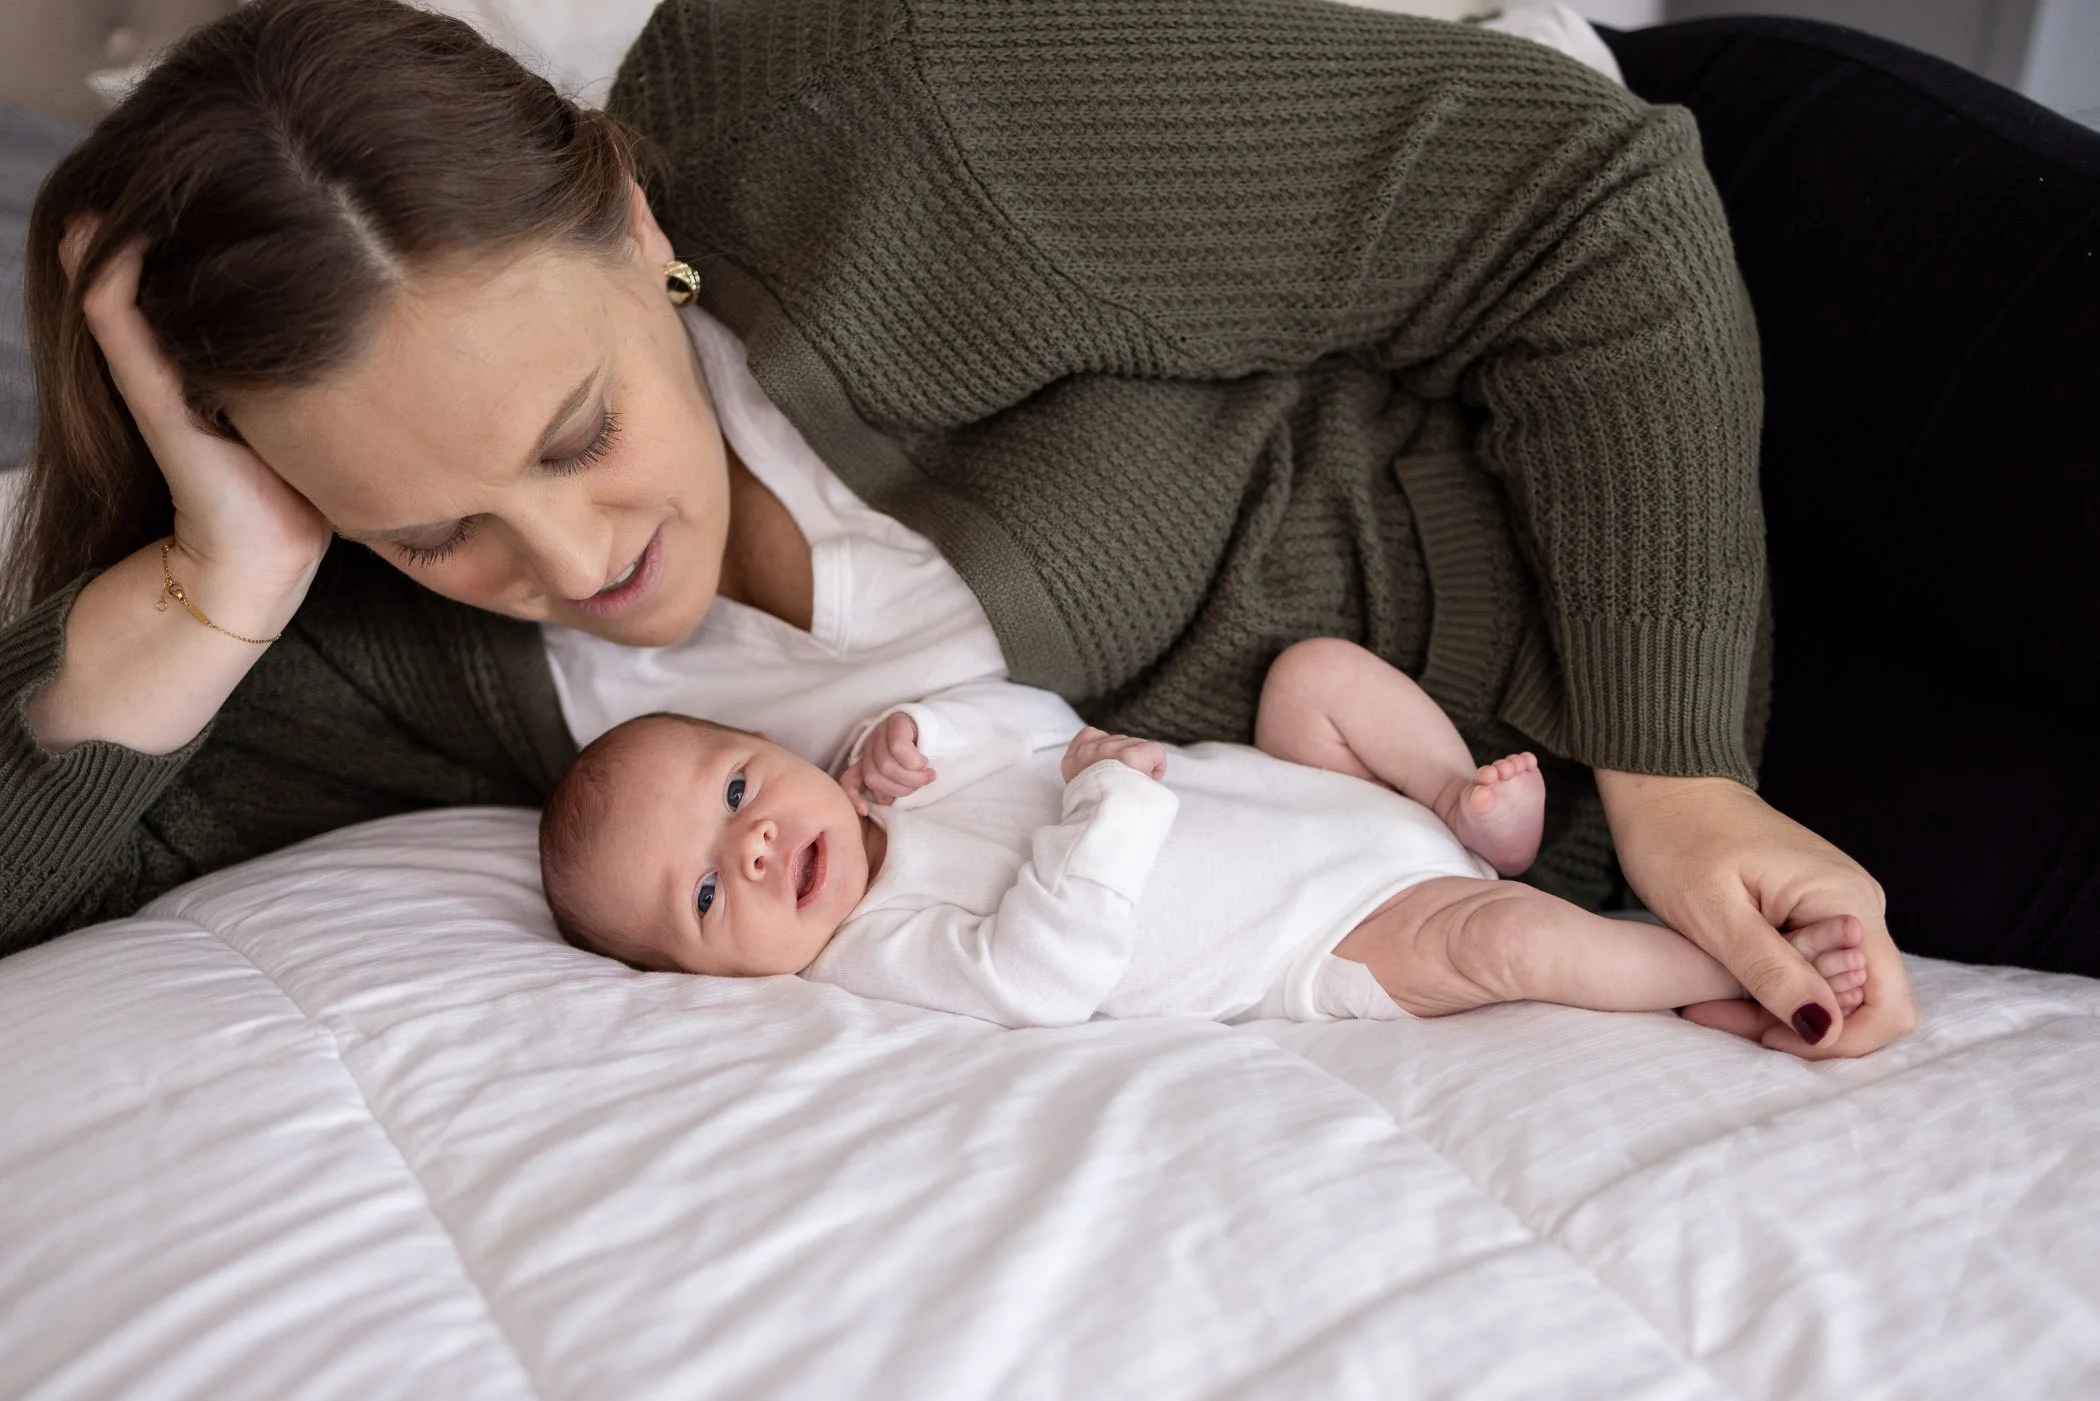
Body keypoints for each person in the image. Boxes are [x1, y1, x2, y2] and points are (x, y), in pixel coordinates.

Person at [0, 0, 1926, 1057]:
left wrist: (1677, 771)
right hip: (1615, 821)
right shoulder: (355, 641)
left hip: (1741, 352)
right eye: (437, 530)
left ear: (644, 235)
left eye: (582, 432)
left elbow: (1582, 208)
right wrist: (214, 583)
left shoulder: (873, 123)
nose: (573, 563)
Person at [536, 639, 1869, 1034]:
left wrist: (929, 728)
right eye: (709, 899)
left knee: (1315, 679)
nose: (756, 849)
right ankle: (1732, 969)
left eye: (733, 796)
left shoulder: (888, 781)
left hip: (1323, 802)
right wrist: (1109, 802)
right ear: (709, 984)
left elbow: (1035, 719)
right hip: (1322, 935)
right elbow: (1042, 976)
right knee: (1510, 942)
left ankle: (1464, 800)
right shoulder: (872, 958)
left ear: (769, 753)